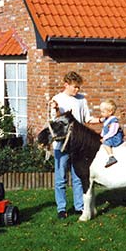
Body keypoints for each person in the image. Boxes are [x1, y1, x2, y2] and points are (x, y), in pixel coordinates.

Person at [49, 71, 92, 219]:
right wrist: (55, 108)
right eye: (75, 87)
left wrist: (104, 119)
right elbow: (55, 118)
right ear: (66, 84)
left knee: (78, 177)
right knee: (61, 179)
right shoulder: (57, 99)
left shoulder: (82, 100)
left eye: (78, 87)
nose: (77, 90)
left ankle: (79, 206)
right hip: (61, 145)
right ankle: (61, 208)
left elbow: (87, 119)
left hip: (78, 145)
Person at [97, 99, 123, 167]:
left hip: (115, 138)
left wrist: (105, 138)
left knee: (106, 143)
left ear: (110, 112)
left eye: (103, 112)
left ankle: (111, 157)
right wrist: (101, 136)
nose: (101, 113)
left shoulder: (114, 121)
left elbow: (112, 132)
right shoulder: (106, 120)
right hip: (109, 136)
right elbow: (104, 129)